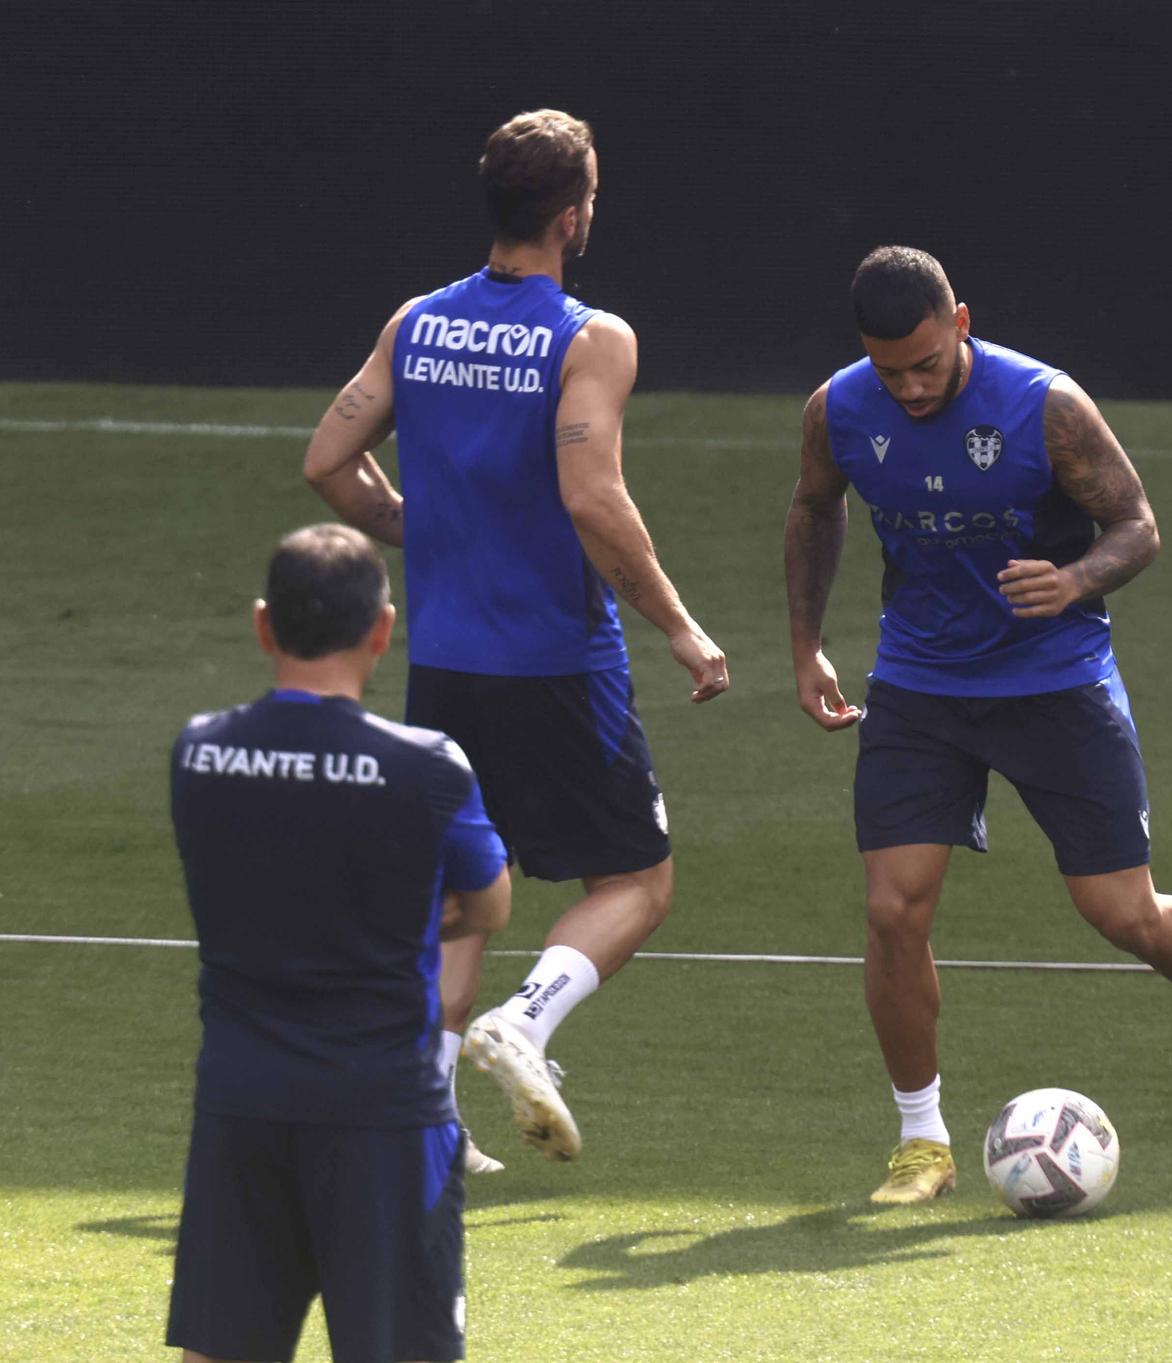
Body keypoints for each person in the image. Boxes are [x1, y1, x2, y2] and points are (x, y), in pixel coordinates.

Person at [785, 246, 1172, 1205]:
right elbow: (817, 510)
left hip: (1054, 680)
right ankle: (921, 1141)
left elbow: (1137, 526)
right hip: (921, 684)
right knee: (894, 910)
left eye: (928, 364)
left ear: (963, 324)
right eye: (889, 369)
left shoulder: (1044, 405)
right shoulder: (839, 409)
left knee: (1123, 914)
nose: (909, 388)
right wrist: (808, 642)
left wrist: (1070, 582)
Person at [302, 109, 728, 1167]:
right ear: (574, 215)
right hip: (555, 665)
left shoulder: (416, 324)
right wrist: (678, 624)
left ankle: (420, 1110)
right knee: (636, 883)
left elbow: (326, 462)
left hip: (443, 663)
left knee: (459, 893)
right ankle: (524, 1022)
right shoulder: (591, 338)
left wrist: (412, 524)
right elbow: (593, 496)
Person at [165, 524, 510, 1363]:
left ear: (263, 624)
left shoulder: (200, 750)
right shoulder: (427, 765)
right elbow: (489, 905)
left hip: (241, 1098)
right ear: (382, 631)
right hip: (381, 1105)